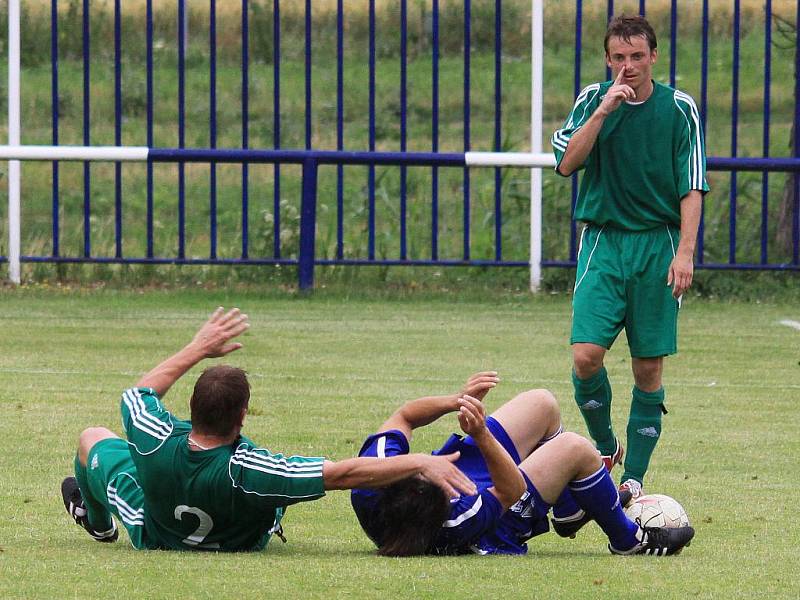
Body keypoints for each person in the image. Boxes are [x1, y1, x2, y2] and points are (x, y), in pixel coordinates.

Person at [60, 307, 477, 551]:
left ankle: (97, 523)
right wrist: (419, 460)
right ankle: (271, 514)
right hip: (243, 536)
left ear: (189, 406)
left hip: (154, 532)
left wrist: (198, 347)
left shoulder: (154, 435)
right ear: (243, 414)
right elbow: (343, 474)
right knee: (272, 491)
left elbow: (139, 393)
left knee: (93, 438)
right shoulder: (252, 468)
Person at [550, 14, 709, 500]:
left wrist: (684, 253)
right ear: (607, 59)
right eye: (619, 57)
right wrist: (603, 111)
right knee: (585, 357)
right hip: (603, 242)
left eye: (637, 56)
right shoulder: (590, 100)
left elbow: (692, 184)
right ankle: (604, 446)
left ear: (653, 57)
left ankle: (634, 480)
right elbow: (565, 163)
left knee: (647, 368)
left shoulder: (679, 108)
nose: (628, 66)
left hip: (656, 246)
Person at [350, 372, 694, 556]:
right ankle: (629, 539)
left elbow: (405, 415)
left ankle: (570, 509)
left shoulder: (372, 478)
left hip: (457, 482)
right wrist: (482, 436)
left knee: (541, 403)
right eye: (446, 483)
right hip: (497, 518)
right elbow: (510, 489)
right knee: (575, 448)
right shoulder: (457, 520)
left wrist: (459, 401)